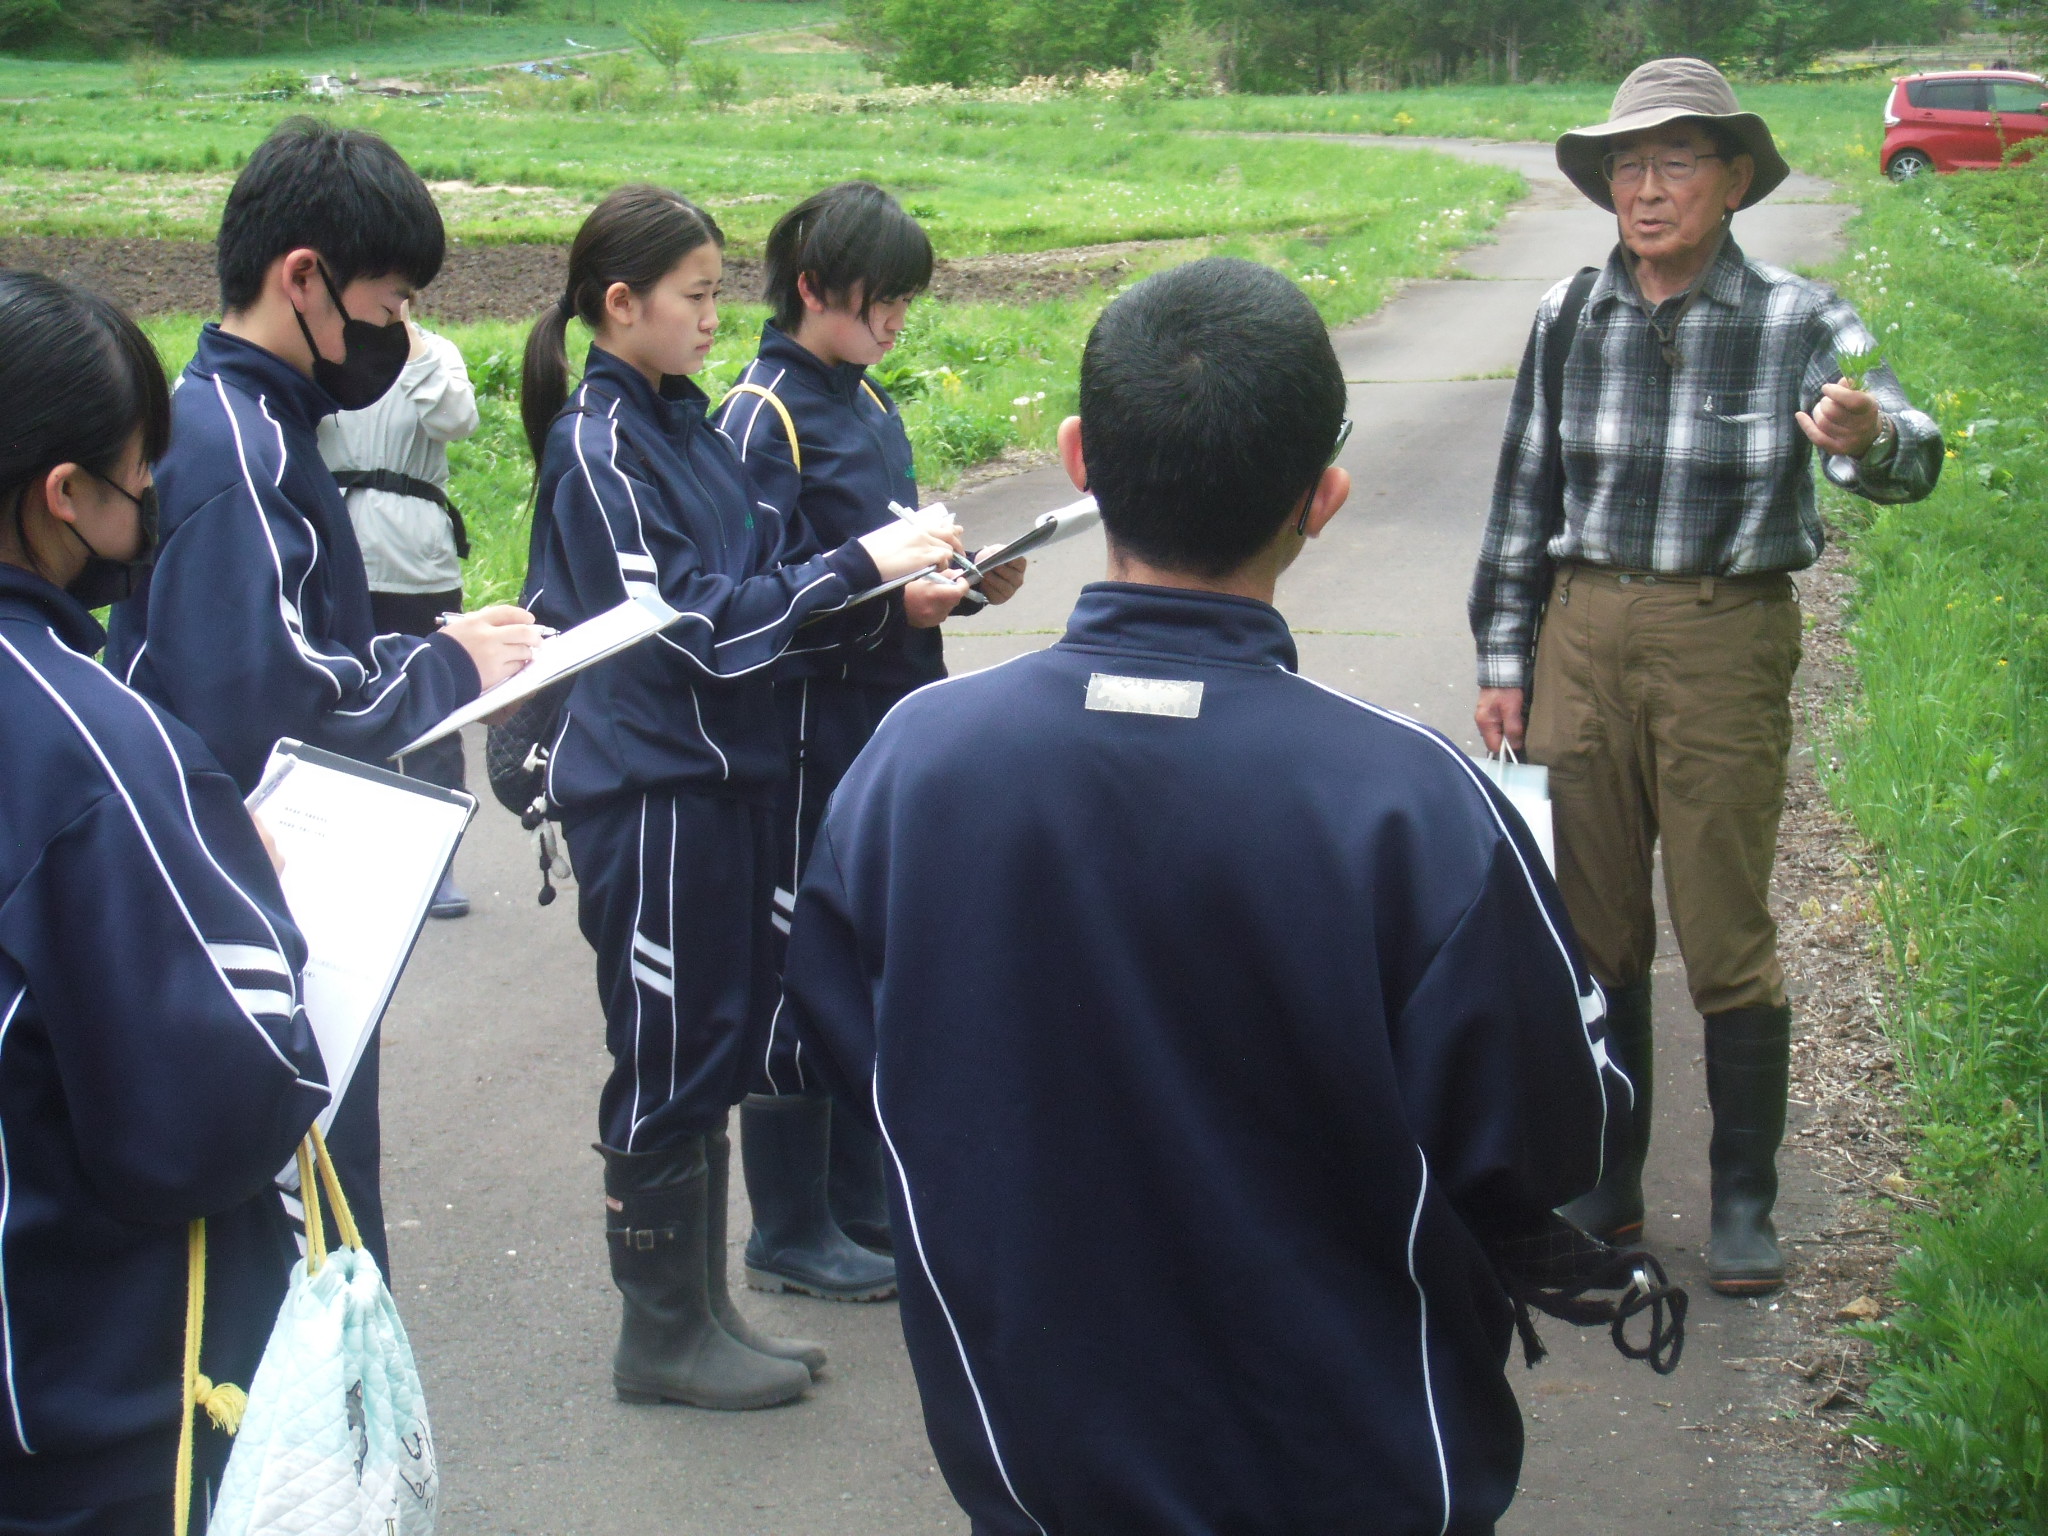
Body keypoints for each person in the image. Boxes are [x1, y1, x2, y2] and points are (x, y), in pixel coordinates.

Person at [783, 257, 1625, 1534]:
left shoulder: (914, 760)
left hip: (1034, 1464)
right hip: (1357, 1463)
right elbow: (1553, 1130)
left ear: (1077, 458)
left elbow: (854, 1051)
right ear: (1322, 500)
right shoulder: (1410, 801)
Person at [1468, 58, 1942, 1294]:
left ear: (1732, 180)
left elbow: (1907, 449)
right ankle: (1608, 1178)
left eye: (1674, 161)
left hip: (1723, 633)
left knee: (1724, 924)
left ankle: (1741, 1198)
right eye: (1626, 163)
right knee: (1589, 923)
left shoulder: (1798, 318)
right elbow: (1523, 498)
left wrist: (1864, 436)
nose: (1644, 186)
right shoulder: (1566, 315)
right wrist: (1503, 658)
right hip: (1580, 630)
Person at [518, 183, 962, 1411]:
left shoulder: (684, 429)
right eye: (698, 296)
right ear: (622, 305)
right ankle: (659, 1334)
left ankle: (704, 1310)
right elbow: (693, 636)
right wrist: (858, 564)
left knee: (712, 1038)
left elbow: (758, 597)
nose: (718, 318)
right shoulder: (598, 446)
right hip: (651, 782)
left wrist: (875, 594)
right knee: (664, 1050)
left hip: (730, 774)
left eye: (720, 293)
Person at [103, 117, 542, 1276]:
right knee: (304, 1251)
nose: (396, 335)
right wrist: (451, 662)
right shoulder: (234, 449)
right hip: (246, 906)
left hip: (262, 897)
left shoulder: (255, 425)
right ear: (303, 278)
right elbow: (278, 708)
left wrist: (441, 647)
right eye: (390, 303)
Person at [0, 270, 329, 1535]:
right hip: (75, 1415)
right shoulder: (87, 744)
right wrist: (245, 901)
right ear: (62, 494)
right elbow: (209, 1113)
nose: (144, 514)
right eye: (137, 482)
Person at [714, 181, 1025, 1303]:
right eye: (879, 299)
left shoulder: (869, 402)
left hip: (883, 720)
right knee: (802, 956)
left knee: (869, 953)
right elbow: (749, 604)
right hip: (804, 732)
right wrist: (886, 607)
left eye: (905, 301)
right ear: (811, 287)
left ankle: (852, 1200)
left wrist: (969, 584)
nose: (895, 320)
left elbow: (892, 570)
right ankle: (787, 1227)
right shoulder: (761, 415)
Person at [317, 306, 482, 918]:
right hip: (336, 556)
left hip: (418, 563)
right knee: (344, 706)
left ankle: (436, 861)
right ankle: (352, 854)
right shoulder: (320, 352)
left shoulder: (435, 351)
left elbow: (456, 419)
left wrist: (409, 348)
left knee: (434, 710)